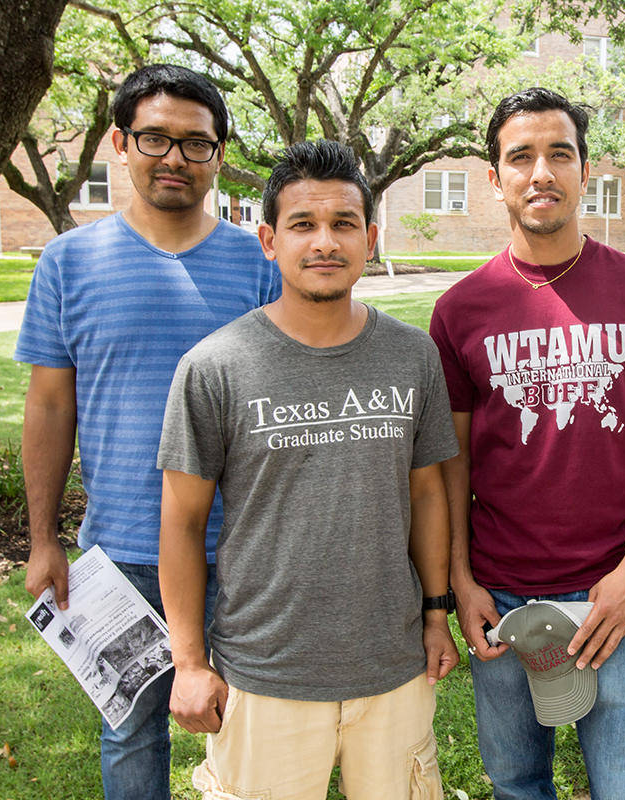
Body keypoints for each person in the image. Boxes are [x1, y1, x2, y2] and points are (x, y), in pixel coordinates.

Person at [157, 140, 460, 800]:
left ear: (370, 237)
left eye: (343, 224)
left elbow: (428, 492)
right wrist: (188, 663)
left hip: (392, 666)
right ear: (268, 239)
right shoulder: (215, 367)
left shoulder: (413, 356)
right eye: (303, 224)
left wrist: (437, 615)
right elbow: (181, 525)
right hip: (265, 672)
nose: (325, 241)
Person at [15, 65, 280, 800]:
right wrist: (43, 539)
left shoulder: (258, 264)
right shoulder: (68, 261)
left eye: (196, 144)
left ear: (219, 155)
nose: (175, 158)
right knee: (129, 731)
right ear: (120, 144)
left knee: (254, 730)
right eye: (156, 138)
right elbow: (47, 407)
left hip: (245, 547)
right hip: (120, 551)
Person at [428, 87, 625, 800]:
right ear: (495, 179)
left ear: (586, 171)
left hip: (612, 596)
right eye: (521, 156)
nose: (540, 172)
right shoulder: (459, 311)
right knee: (516, 783)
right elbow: (450, 464)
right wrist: (461, 578)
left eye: (559, 154)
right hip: (502, 594)